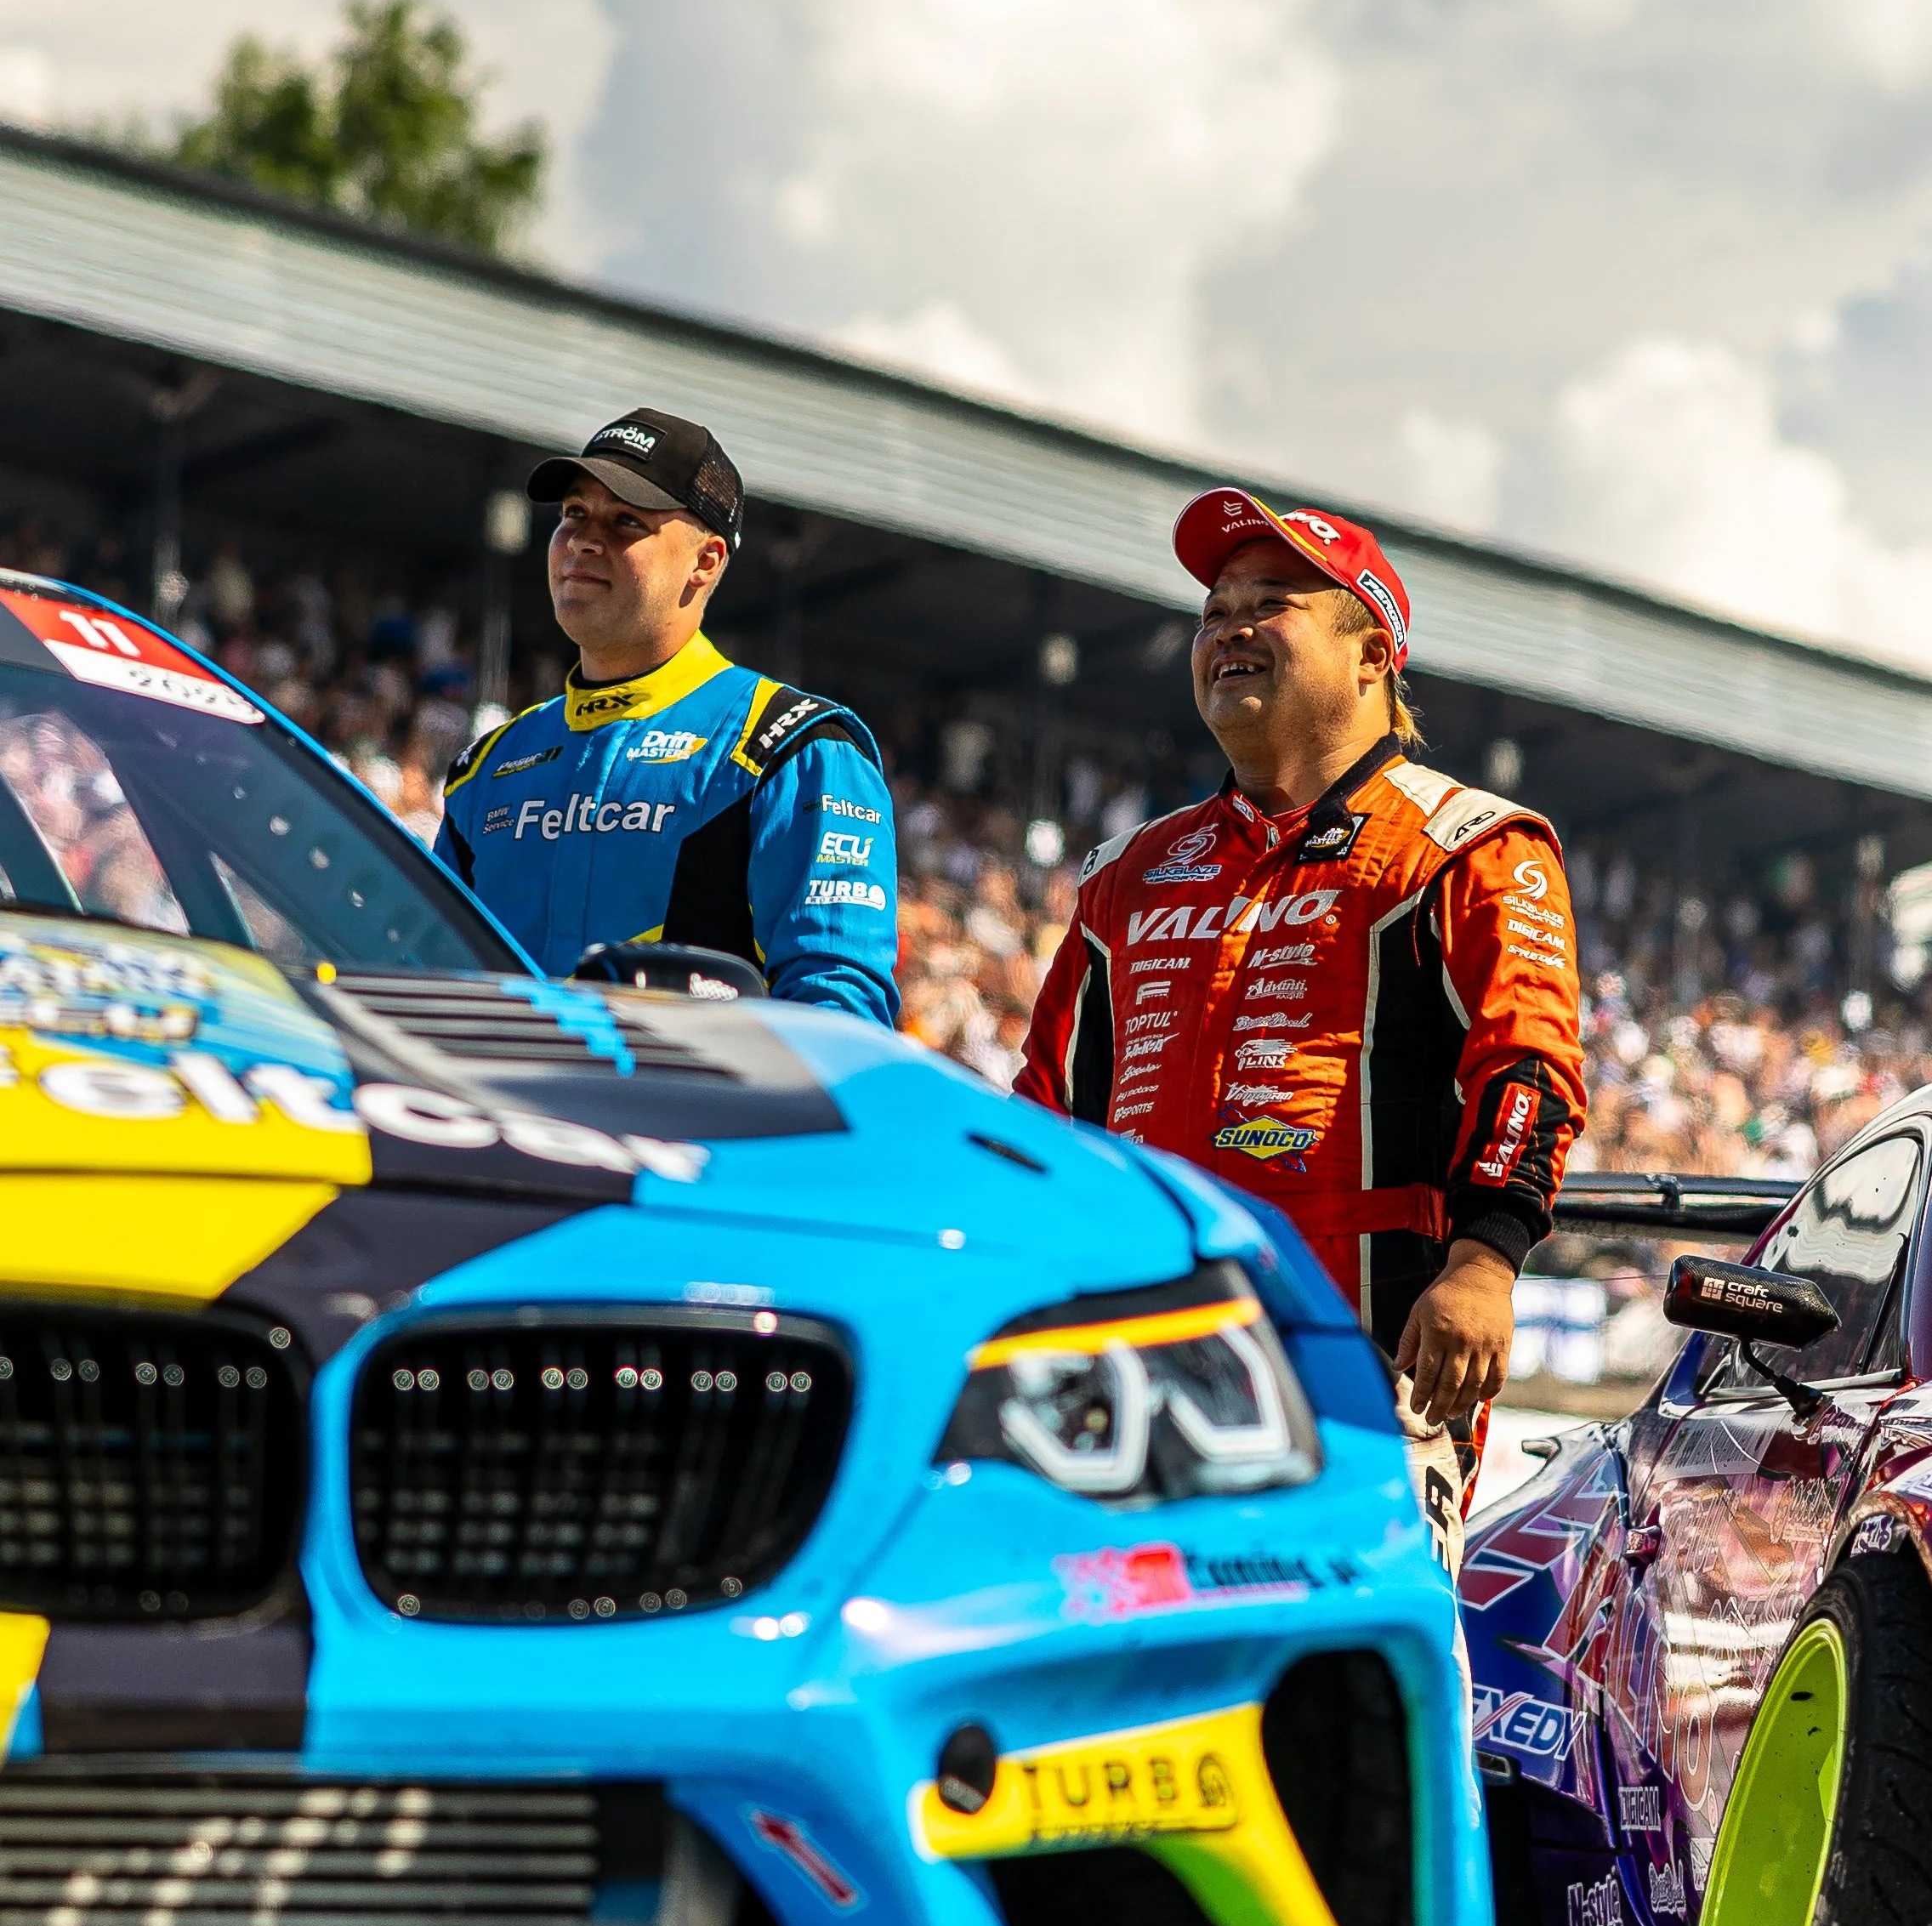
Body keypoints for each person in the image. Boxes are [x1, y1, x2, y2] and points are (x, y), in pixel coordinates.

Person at [1016, 486, 1585, 1571]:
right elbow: (1043, 1111)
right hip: (1136, 1342)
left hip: (1363, 1356)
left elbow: (1529, 1063)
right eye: (1213, 609)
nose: (1227, 627)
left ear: (1370, 653)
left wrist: (1483, 1263)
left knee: (1346, 1671)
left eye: (1270, 603)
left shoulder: (1467, 846)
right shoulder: (1129, 872)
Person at [437, 408, 898, 1022]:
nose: (584, 538)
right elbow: (426, 975)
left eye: (626, 520)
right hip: (495, 1113)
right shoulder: (488, 767)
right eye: (574, 513)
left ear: (705, 562)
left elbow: (839, 1011)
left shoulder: (794, 748)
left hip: (680, 1116)